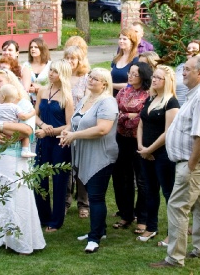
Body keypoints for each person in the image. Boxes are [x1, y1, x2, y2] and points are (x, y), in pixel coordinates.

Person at [150, 55, 200, 268]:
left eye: (188, 69)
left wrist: (190, 166)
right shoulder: (195, 94)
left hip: (193, 162)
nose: (183, 72)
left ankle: (174, 258)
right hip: (192, 162)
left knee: (177, 206)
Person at [0, 68, 45, 255]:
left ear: (11, 82)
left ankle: (20, 242)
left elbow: (27, 130)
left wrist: (1, 126)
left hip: (15, 157)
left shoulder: (23, 103)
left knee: (17, 197)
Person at [59, 68, 119, 254]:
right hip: (84, 154)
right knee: (93, 194)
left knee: (96, 197)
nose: (90, 80)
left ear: (104, 84)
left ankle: (94, 239)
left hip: (101, 156)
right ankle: (100, 231)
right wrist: (67, 132)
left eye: (95, 79)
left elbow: (102, 129)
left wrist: (74, 135)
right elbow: (76, 122)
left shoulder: (107, 102)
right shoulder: (86, 99)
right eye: (90, 77)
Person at [136, 65, 179, 246]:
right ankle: (151, 226)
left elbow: (168, 132)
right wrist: (141, 146)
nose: (153, 80)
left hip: (162, 154)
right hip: (145, 152)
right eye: (153, 77)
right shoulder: (151, 98)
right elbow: (141, 124)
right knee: (150, 191)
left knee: (169, 193)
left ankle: (173, 234)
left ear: (167, 81)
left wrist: (150, 149)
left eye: (158, 78)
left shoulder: (172, 103)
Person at [33, 60, 74, 232]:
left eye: (55, 71)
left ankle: (56, 220)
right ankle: (43, 216)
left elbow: (69, 125)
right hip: (43, 140)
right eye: (50, 70)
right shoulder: (42, 91)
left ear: (62, 74)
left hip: (60, 142)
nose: (51, 73)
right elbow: (34, 114)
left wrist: (49, 132)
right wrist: (42, 125)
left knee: (59, 181)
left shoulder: (67, 96)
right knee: (39, 178)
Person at [112, 62, 152, 234]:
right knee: (122, 177)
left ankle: (142, 218)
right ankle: (126, 214)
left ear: (143, 76)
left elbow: (143, 118)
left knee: (142, 180)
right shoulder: (123, 91)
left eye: (135, 74)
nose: (130, 76)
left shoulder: (148, 95)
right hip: (121, 139)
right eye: (130, 72)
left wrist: (129, 117)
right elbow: (115, 113)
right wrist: (128, 115)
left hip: (140, 140)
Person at [63, 45, 91, 218]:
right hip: (63, 126)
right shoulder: (62, 78)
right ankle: (65, 201)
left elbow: (87, 102)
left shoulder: (86, 78)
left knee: (80, 166)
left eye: (73, 58)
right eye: (67, 58)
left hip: (80, 126)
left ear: (80, 60)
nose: (70, 61)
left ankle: (83, 203)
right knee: (65, 165)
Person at [0, 84, 36, 158]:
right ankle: (25, 150)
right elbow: (23, 117)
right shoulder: (15, 107)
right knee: (25, 136)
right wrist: (32, 113)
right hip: (10, 131)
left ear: (2, 97)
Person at [174, 39, 200, 106]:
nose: (190, 50)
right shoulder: (180, 67)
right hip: (176, 106)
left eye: (194, 49)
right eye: (188, 49)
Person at [21, 38, 52, 103]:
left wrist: (39, 88)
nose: (33, 49)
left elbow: (54, 85)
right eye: (31, 47)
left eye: (36, 47)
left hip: (46, 99)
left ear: (42, 49)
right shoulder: (26, 65)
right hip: (29, 100)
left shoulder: (50, 65)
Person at [110, 28, 139, 96]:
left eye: (124, 39)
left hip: (127, 96)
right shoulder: (116, 58)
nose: (121, 41)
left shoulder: (136, 60)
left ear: (132, 42)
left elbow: (132, 84)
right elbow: (109, 76)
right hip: (112, 95)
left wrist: (111, 85)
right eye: (120, 39)